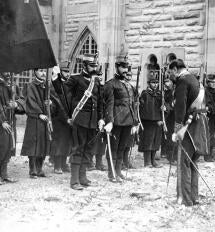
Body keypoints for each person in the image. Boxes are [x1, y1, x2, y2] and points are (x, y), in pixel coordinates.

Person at [53, 54, 105, 190]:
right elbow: (62, 91)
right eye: (91, 66)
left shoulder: (97, 81)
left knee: (88, 150)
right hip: (80, 120)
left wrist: (101, 118)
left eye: (95, 66)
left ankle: (83, 177)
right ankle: (74, 180)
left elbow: (99, 102)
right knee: (78, 149)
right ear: (84, 66)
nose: (94, 68)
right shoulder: (76, 79)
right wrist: (56, 79)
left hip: (92, 122)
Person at [169, 59, 210, 206]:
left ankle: (185, 198)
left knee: (183, 162)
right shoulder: (195, 80)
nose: (170, 75)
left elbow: (180, 107)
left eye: (170, 71)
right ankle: (194, 196)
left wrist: (177, 129)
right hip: (200, 125)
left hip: (188, 127)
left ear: (175, 69)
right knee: (193, 162)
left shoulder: (182, 81)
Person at [103, 54, 138, 182]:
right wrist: (110, 121)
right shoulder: (110, 84)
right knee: (113, 147)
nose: (125, 70)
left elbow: (131, 104)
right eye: (123, 67)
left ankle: (118, 171)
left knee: (122, 147)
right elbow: (109, 104)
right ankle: (112, 173)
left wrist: (135, 122)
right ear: (116, 67)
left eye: (126, 67)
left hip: (128, 121)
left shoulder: (127, 85)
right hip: (117, 122)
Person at [20, 69, 52, 179]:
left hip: (45, 119)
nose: (43, 73)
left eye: (44, 71)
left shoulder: (48, 86)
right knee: (33, 144)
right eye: (40, 71)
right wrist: (39, 114)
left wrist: (50, 104)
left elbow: (53, 102)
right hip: (34, 119)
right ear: (35, 72)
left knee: (43, 143)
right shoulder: (30, 86)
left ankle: (39, 168)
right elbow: (30, 102)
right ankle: (32, 169)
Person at [0, 73, 25, 184]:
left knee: (8, 148)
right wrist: (1, 122)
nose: (8, 74)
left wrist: (16, 104)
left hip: (10, 120)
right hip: (2, 122)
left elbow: (22, 100)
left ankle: (4, 175)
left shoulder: (13, 86)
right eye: (4, 71)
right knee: (1, 147)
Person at [49, 61, 72, 174]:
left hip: (68, 118)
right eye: (65, 71)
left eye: (68, 72)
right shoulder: (54, 85)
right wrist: (66, 117)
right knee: (59, 141)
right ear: (59, 72)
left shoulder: (68, 84)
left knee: (67, 141)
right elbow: (59, 103)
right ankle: (57, 165)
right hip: (58, 118)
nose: (67, 74)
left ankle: (64, 163)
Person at [138, 73, 163, 168]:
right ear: (149, 83)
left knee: (156, 141)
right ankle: (147, 161)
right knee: (148, 141)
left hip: (158, 122)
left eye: (156, 83)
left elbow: (165, 107)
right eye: (153, 82)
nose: (155, 84)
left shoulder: (160, 94)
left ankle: (153, 161)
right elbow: (144, 109)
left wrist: (165, 108)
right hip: (148, 122)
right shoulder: (145, 93)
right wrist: (153, 120)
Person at [204, 74, 215, 162]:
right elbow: (207, 104)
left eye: (214, 82)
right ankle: (207, 156)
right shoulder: (205, 92)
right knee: (208, 135)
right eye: (211, 82)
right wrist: (211, 110)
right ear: (207, 83)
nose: (213, 84)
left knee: (213, 135)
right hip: (209, 116)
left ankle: (211, 154)